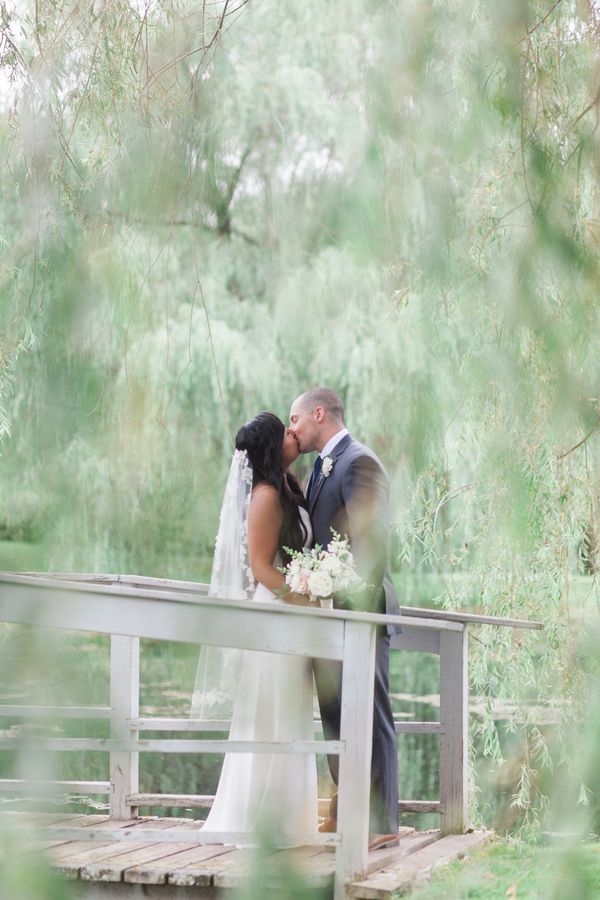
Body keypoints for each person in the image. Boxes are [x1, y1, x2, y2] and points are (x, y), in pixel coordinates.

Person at [191, 412, 317, 839]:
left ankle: (289, 823)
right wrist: (304, 594)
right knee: (270, 715)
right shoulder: (264, 496)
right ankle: (258, 823)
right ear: (269, 446)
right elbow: (262, 569)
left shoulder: (287, 487)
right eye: (285, 432)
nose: (292, 434)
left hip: (294, 616)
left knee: (291, 714)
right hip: (276, 617)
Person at [289, 387, 401, 852]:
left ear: (319, 413)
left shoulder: (360, 462)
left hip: (361, 611)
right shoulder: (320, 468)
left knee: (370, 711)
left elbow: (369, 546)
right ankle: (347, 809)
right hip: (330, 613)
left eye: (295, 419)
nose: (291, 428)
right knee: (336, 713)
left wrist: (337, 588)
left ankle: (381, 822)